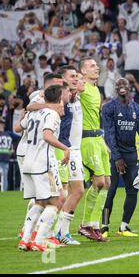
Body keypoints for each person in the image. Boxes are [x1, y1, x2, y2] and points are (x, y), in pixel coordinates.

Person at [17, 84, 70, 251]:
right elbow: (47, 135)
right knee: (57, 201)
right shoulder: (52, 114)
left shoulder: (34, 112)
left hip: (28, 162)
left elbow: (21, 124)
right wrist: (65, 148)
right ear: (59, 99)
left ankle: (25, 239)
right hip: (43, 163)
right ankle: (39, 241)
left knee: (40, 202)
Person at [100, 77, 139, 238]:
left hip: (131, 154)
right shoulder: (109, 108)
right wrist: (117, 157)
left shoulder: (137, 109)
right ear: (115, 88)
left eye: (124, 84)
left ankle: (124, 226)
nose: (121, 87)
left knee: (133, 189)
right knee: (110, 190)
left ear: (130, 87)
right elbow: (109, 134)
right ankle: (104, 226)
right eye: (118, 85)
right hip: (114, 154)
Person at [78, 58, 111, 242]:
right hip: (87, 139)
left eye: (97, 65)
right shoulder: (81, 87)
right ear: (82, 71)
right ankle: (85, 224)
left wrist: (103, 141)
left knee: (106, 183)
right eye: (91, 66)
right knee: (98, 182)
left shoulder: (97, 90)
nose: (97, 67)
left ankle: (94, 224)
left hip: (98, 138)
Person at [53, 66, 85, 245]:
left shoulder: (75, 98)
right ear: (63, 78)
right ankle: (56, 232)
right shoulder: (61, 100)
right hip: (66, 150)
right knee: (66, 193)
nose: (76, 79)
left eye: (77, 77)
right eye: (73, 77)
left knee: (74, 192)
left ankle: (60, 232)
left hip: (75, 150)